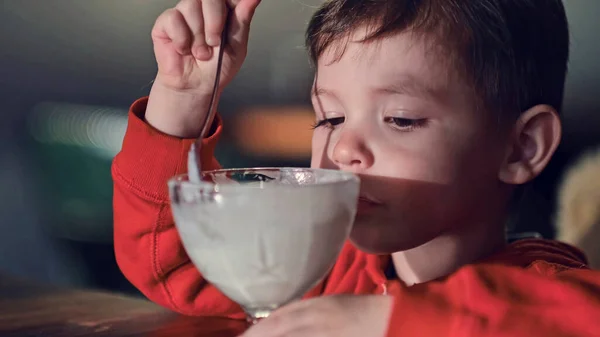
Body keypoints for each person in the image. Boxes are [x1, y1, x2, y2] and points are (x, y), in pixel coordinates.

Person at [112, 0, 600, 336]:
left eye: (400, 119)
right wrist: (183, 100)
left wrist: (383, 321)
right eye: (330, 117)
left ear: (521, 148)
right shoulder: (318, 268)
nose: (344, 147)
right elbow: (172, 258)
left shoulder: (546, 292)